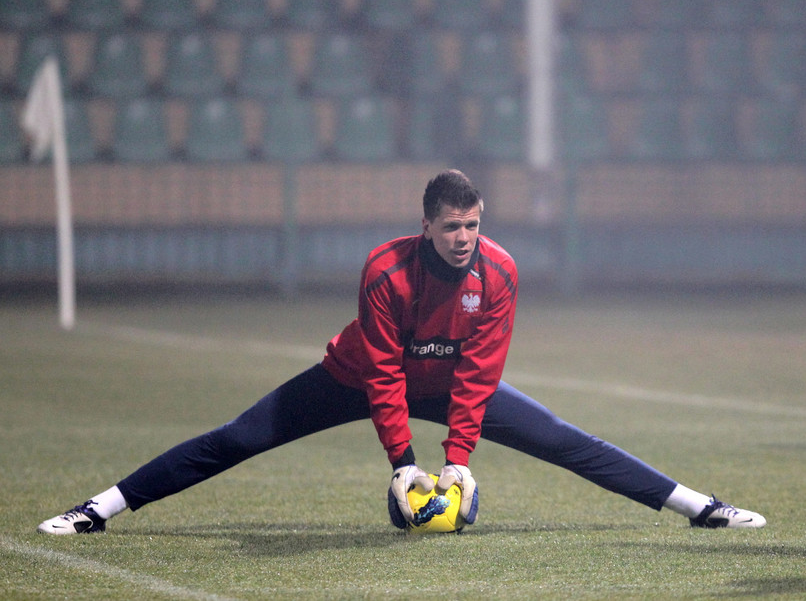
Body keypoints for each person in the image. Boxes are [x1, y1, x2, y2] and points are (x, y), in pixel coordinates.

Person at [38, 169, 765, 535]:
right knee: (236, 439)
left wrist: (456, 460)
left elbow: (480, 372)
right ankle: (95, 510)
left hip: (449, 385)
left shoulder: (502, 272)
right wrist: (403, 465)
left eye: (473, 224)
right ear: (425, 224)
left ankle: (701, 508)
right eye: (451, 225)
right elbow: (383, 370)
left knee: (568, 442)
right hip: (356, 377)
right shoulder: (385, 269)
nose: (464, 237)